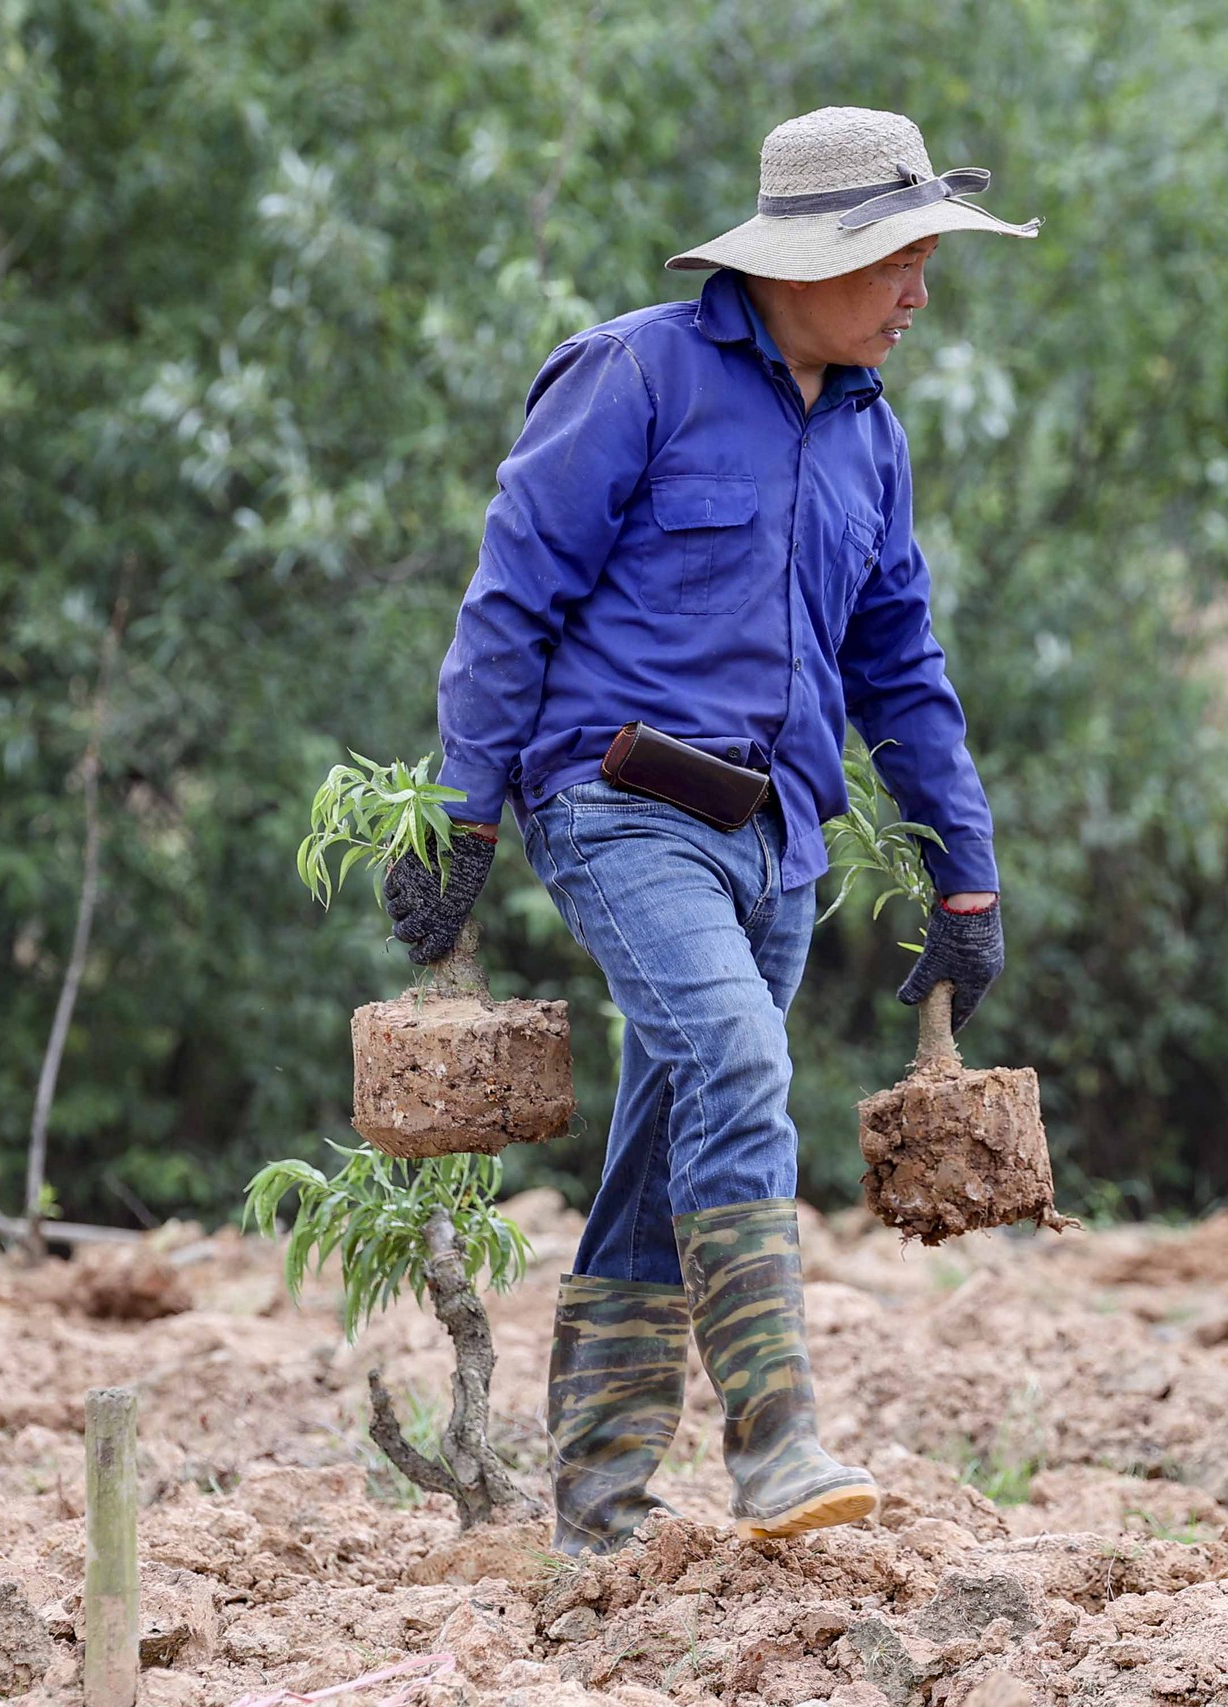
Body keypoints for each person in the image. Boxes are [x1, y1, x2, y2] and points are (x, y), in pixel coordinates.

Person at [382, 107, 1038, 1553]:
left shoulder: (875, 439)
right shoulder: (638, 376)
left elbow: (903, 673)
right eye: (902, 262)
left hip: (777, 847)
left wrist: (968, 876)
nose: (920, 293)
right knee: (742, 1060)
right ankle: (779, 1442)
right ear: (811, 259)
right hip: (617, 806)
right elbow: (511, 600)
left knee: (666, 1139)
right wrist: (461, 815)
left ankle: (599, 1516)